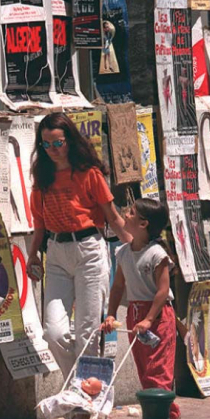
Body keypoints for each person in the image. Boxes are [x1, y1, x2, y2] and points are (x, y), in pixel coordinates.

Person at [27, 113, 130, 379]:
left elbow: (113, 217)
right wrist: (33, 257)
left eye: (58, 143)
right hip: (57, 252)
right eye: (46, 145)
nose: (53, 150)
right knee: (54, 332)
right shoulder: (42, 178)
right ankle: (80, 388)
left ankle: (82, 406)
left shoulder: (89, 174)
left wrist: (136, 248)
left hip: (89, 250)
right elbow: (39, 225)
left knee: (87, 334)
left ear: (70, 141)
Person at [102, 198, 180, 419]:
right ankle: (155, 417)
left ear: (143, 223)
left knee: (160, 372)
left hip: (158, 317)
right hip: (135, 316)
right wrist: (111, 314)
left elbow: (163, 290)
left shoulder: (157, 254)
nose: (125, 214)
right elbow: (118, 287)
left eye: (131, 212)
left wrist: (149, 318)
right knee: (145, 371)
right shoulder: (123, 253)